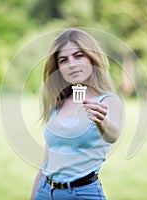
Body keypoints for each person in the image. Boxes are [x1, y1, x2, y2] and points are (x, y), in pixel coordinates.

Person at [31, 28, 123, 200]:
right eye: (63, 60)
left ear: (92, 58)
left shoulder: (108, 101)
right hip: (45, 191)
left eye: (78, 55)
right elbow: (46, 163)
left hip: (82, 193)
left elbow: (113, 136)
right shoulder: (58, 102)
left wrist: (101, 121)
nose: (72, 64)